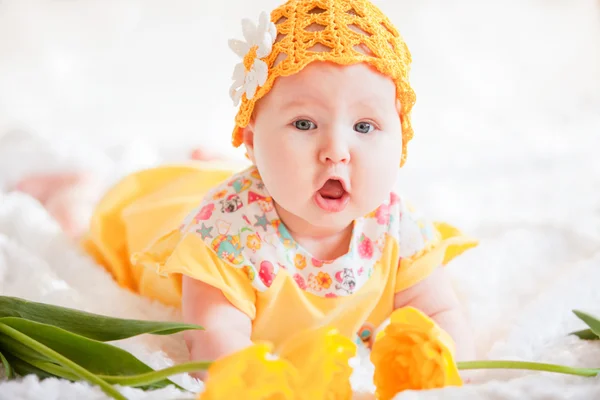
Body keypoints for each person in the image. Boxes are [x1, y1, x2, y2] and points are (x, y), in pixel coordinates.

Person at [13, 0, 479, 378]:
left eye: (364, 125)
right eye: (304, 123)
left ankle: (213, 162)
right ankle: (71, 192)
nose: (337, 151)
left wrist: (432, 367)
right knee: (86, 233)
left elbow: (441, 314)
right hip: (159, 208)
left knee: (245, 176)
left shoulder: (399, 230)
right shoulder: (225, 239)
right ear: (252, 140)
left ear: (401, 139)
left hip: (258, 182)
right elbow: (212, 335)